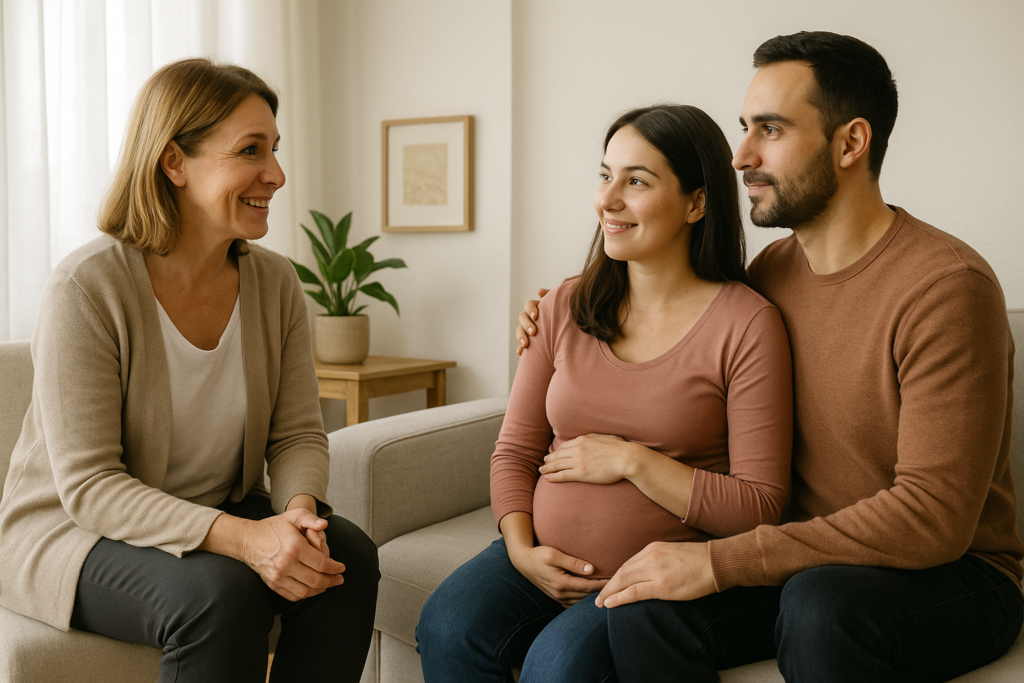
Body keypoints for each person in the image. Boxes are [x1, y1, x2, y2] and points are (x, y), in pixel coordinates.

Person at [517, 31, 1024, 682]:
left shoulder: (947, 287)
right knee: (646, 607)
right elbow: (680, 323)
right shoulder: (772, 272)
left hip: (952, 574)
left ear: (851, 142)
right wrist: (555, 312)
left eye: (771, 130)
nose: (739, 155)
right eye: (744, 127)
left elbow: (933, 518)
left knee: (821, 605)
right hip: (801, 554)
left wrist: (721, 561)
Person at [0, 58, 379, 682]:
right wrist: (247, 540)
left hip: (214, 506)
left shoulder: (275, 282)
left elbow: (297, 435)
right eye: (251, 150)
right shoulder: (86, 287)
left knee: (348, 557)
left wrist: (296, 515)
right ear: (174, 162)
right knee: (218, 595)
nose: (277, 174)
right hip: (73, 533)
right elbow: (91, 486)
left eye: (276, 149)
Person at [417, 104, 793, 682]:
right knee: (447, 624)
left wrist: (631, 461)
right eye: (605, 174)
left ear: (696, 203)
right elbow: (515, 451)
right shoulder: (564, 304)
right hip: (537, 553)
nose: (608, 199)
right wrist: (521, 550)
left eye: (636, 181)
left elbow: (760, 506)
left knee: (558, 666)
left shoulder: (746, 324)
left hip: (649, 576)